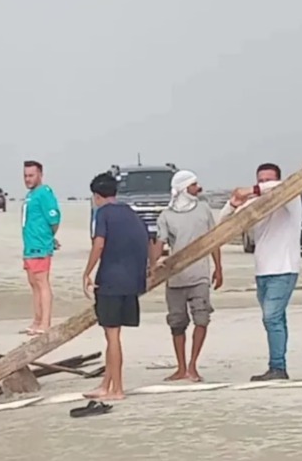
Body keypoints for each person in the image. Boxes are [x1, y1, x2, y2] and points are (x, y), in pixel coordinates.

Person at [218, 162, 302, 381]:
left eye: (268, 180)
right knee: (276, 319)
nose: (264, 184)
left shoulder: (291, 199)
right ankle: (278, 365)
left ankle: (277, 367)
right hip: (263, 270)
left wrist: (252, 189)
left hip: (284, 268)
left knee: (271, 317)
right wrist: (233, 204)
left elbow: (282, 187)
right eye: (260, 181)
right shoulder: (255, 203)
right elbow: (223, 224)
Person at [81, 171, 151, 401]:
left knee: (112, 336)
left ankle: (117, 389)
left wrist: (87, 272)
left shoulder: (103, 213)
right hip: (132, 282)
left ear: (96, 195)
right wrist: (150, 266)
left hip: (111, 281)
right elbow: (149, 241)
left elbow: (99, 244)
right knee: (111, 335)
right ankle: (106, 384)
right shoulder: (131, 212)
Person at [152, 170, 224, 381]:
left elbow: (213, 239)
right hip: (175, 278)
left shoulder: (203, 209)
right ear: (183, 188)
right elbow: (160, 243)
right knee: (177, 324)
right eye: (193, 185)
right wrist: (153, 267)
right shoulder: (166, 215)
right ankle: (181, 368)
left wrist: (218, 268)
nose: (198, 188)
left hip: (200, 275)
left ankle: (193, 365)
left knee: (202, 319)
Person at [20, 160, 61, 335]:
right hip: (29, 245)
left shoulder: (44, 193)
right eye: (25, 176)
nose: (28, 179)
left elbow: (54, 219)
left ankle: (45, 322)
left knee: (42, 282)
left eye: (31, 175)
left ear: (40, 175)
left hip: (40, 246)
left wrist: (49, 238)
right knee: (33, 283)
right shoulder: (30, 195)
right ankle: (37, 320)